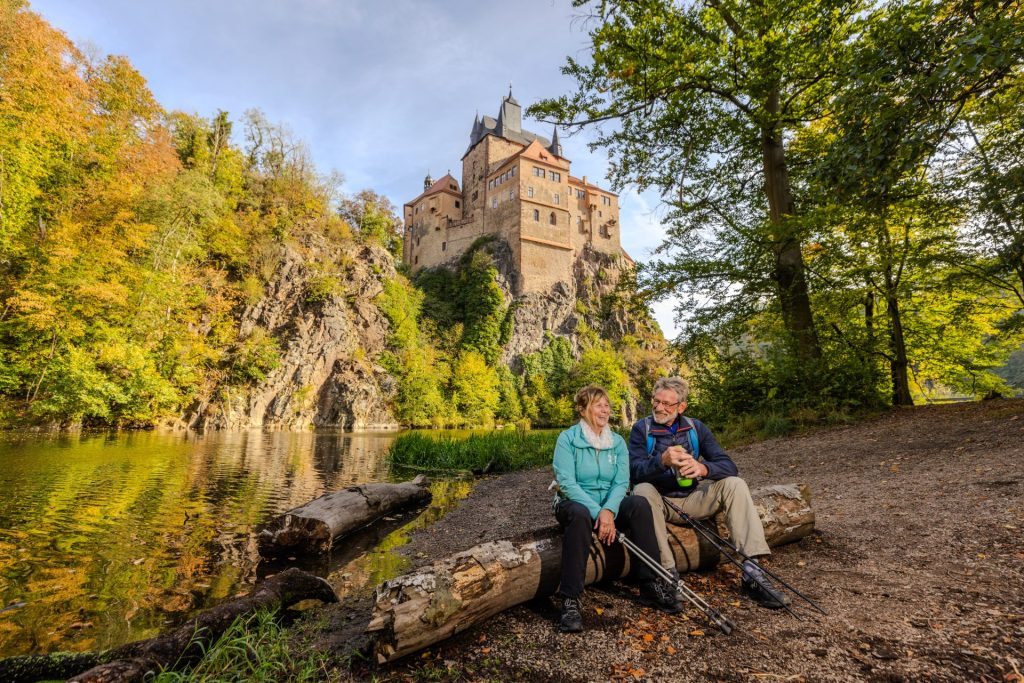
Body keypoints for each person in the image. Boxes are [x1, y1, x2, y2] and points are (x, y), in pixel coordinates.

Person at [628, 376, 790, 609]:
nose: (659, 407)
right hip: (659, 502)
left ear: (681, 407)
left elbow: (728, 465)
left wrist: (703, 468)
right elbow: (633, 471)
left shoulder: (695, 428)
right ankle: (666, 576)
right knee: (641, 490)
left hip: (693, 499)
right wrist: (661, 461)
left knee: (735, 484)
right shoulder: (641, 429)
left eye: (667, 404)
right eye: (656, 401)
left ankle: (753, 574)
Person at [552, 385, 682, 633]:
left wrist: (609, 511)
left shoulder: (617, 442)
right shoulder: (567, 439)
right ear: (582, 409)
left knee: (639, 504)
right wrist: (597, 511)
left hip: (607, 506)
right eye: (598, 404)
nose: (605, 409)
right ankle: (570, 600)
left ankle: (649, 584)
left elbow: (622, 482)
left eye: (607, 405)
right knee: (579, 515)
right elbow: (566, 483)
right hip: (574, 503)